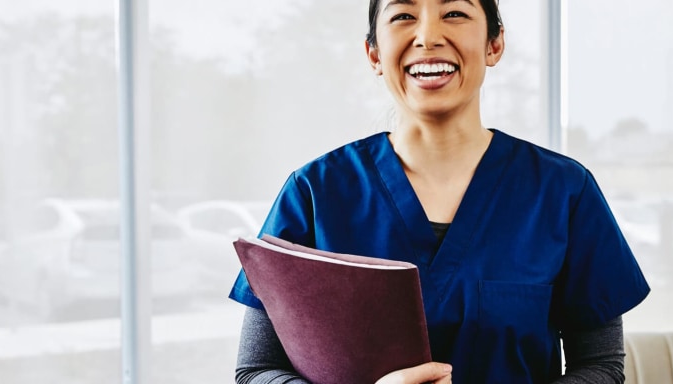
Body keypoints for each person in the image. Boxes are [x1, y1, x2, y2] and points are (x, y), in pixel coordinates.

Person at [230, 0, 650, 382]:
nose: (428, 36)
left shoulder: (564, 191)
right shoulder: (314, 192)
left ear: (495, 43)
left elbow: (600, 366)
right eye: (403, 16)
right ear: (374, 53)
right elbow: (256, 370)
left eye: (454, 13)